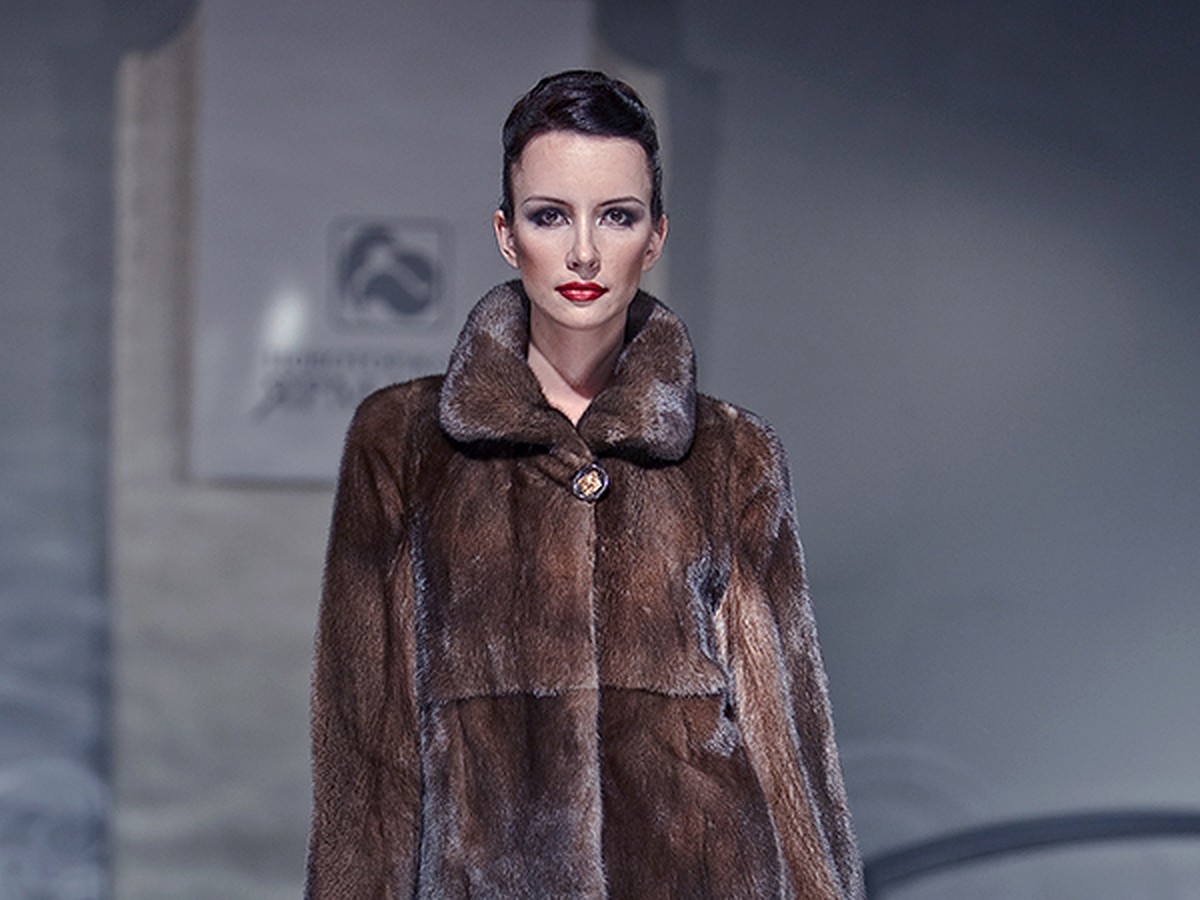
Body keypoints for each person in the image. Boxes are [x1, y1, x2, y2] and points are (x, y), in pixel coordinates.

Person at [306, 69, 863, 899]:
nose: (583, 253)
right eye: (549, 215)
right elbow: (366, 745)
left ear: (656, 236)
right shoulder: (404, 443)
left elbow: (788, 743)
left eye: (617, 216)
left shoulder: (732, 455)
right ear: (506, 234)